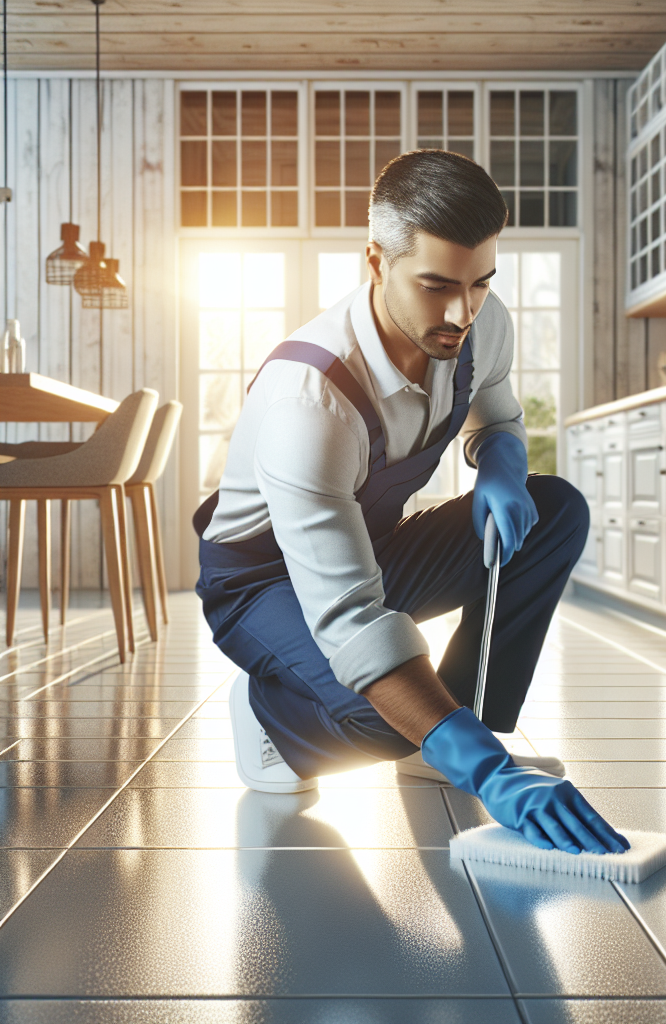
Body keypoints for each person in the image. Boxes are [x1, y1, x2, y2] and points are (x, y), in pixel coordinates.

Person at [195, 150, 627, 858]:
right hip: (262, 583)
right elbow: (350, 618)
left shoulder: (478, 326)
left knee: (555, 512)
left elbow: (499, 416)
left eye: (481, 282)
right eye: (436, 286)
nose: (462, 311)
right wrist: (493, 776)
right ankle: (273, 718)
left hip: (365, 549)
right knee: (381, 716)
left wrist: (501, 465)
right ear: (375, 260)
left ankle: (453, 732)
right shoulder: (310, 398)